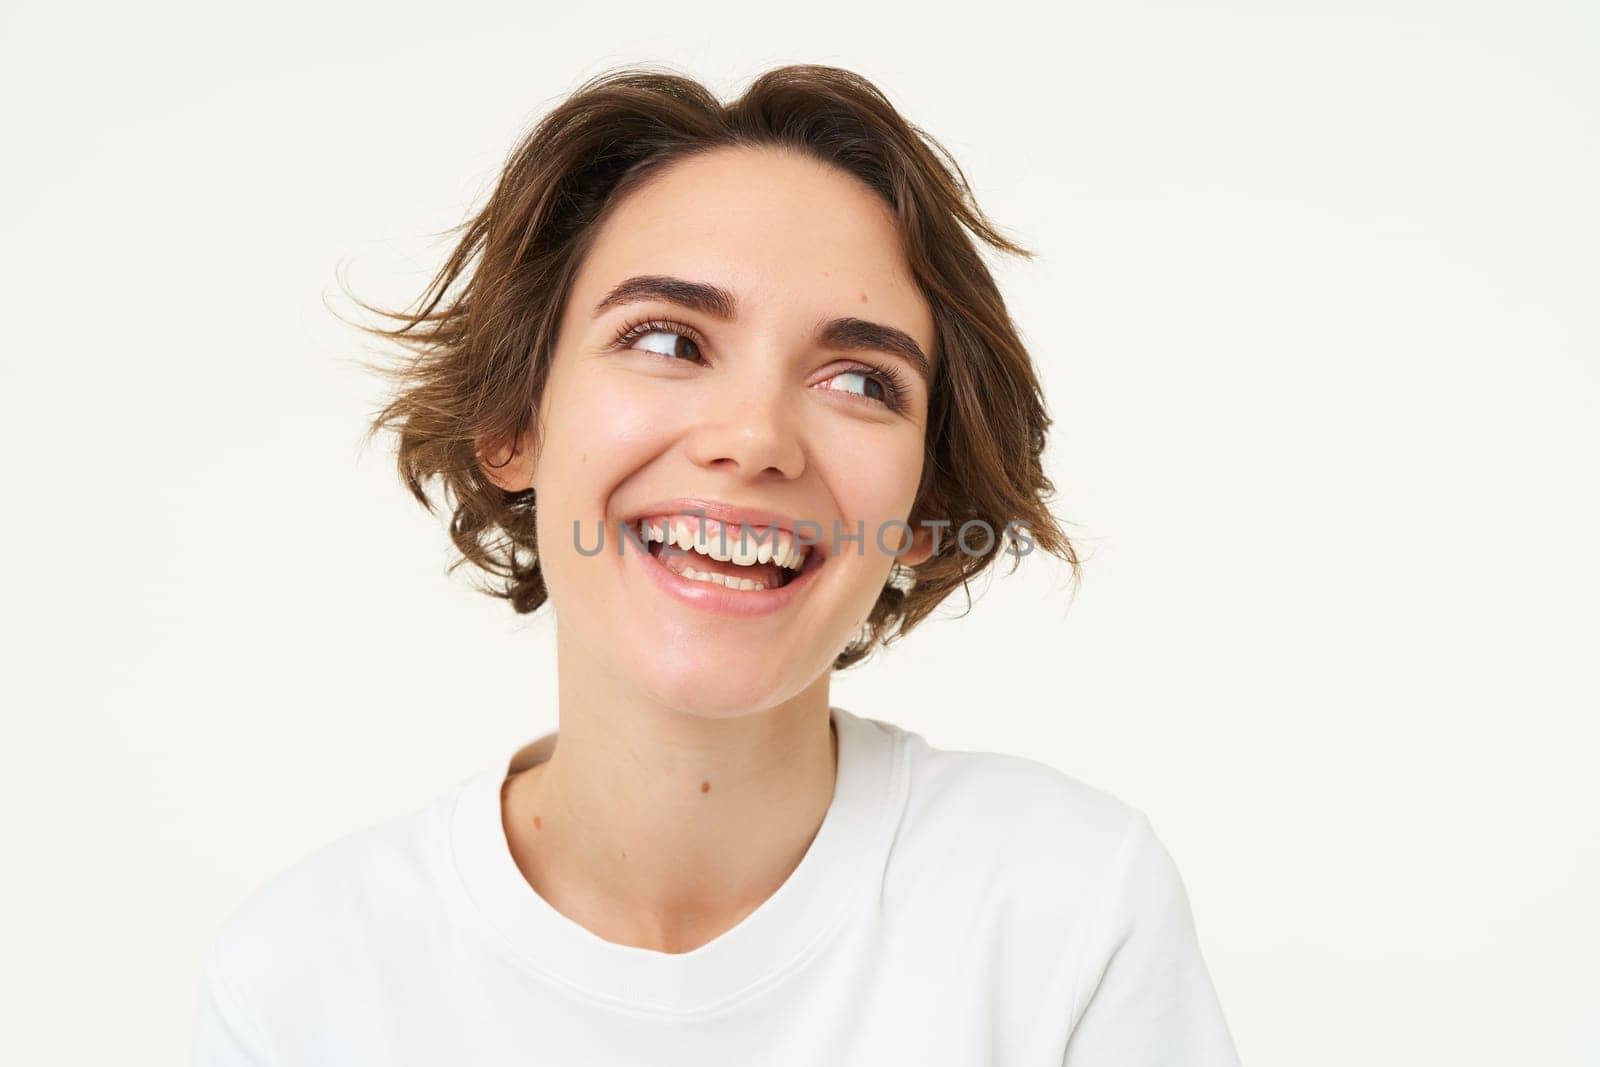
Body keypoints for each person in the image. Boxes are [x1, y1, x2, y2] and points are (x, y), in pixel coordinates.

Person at [191, 63, 1243, 1065]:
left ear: (926, 506)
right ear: (512, 421)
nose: (754, 439)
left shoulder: (1070, 906)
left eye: (860, 380)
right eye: (666, 340)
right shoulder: (306, 976)